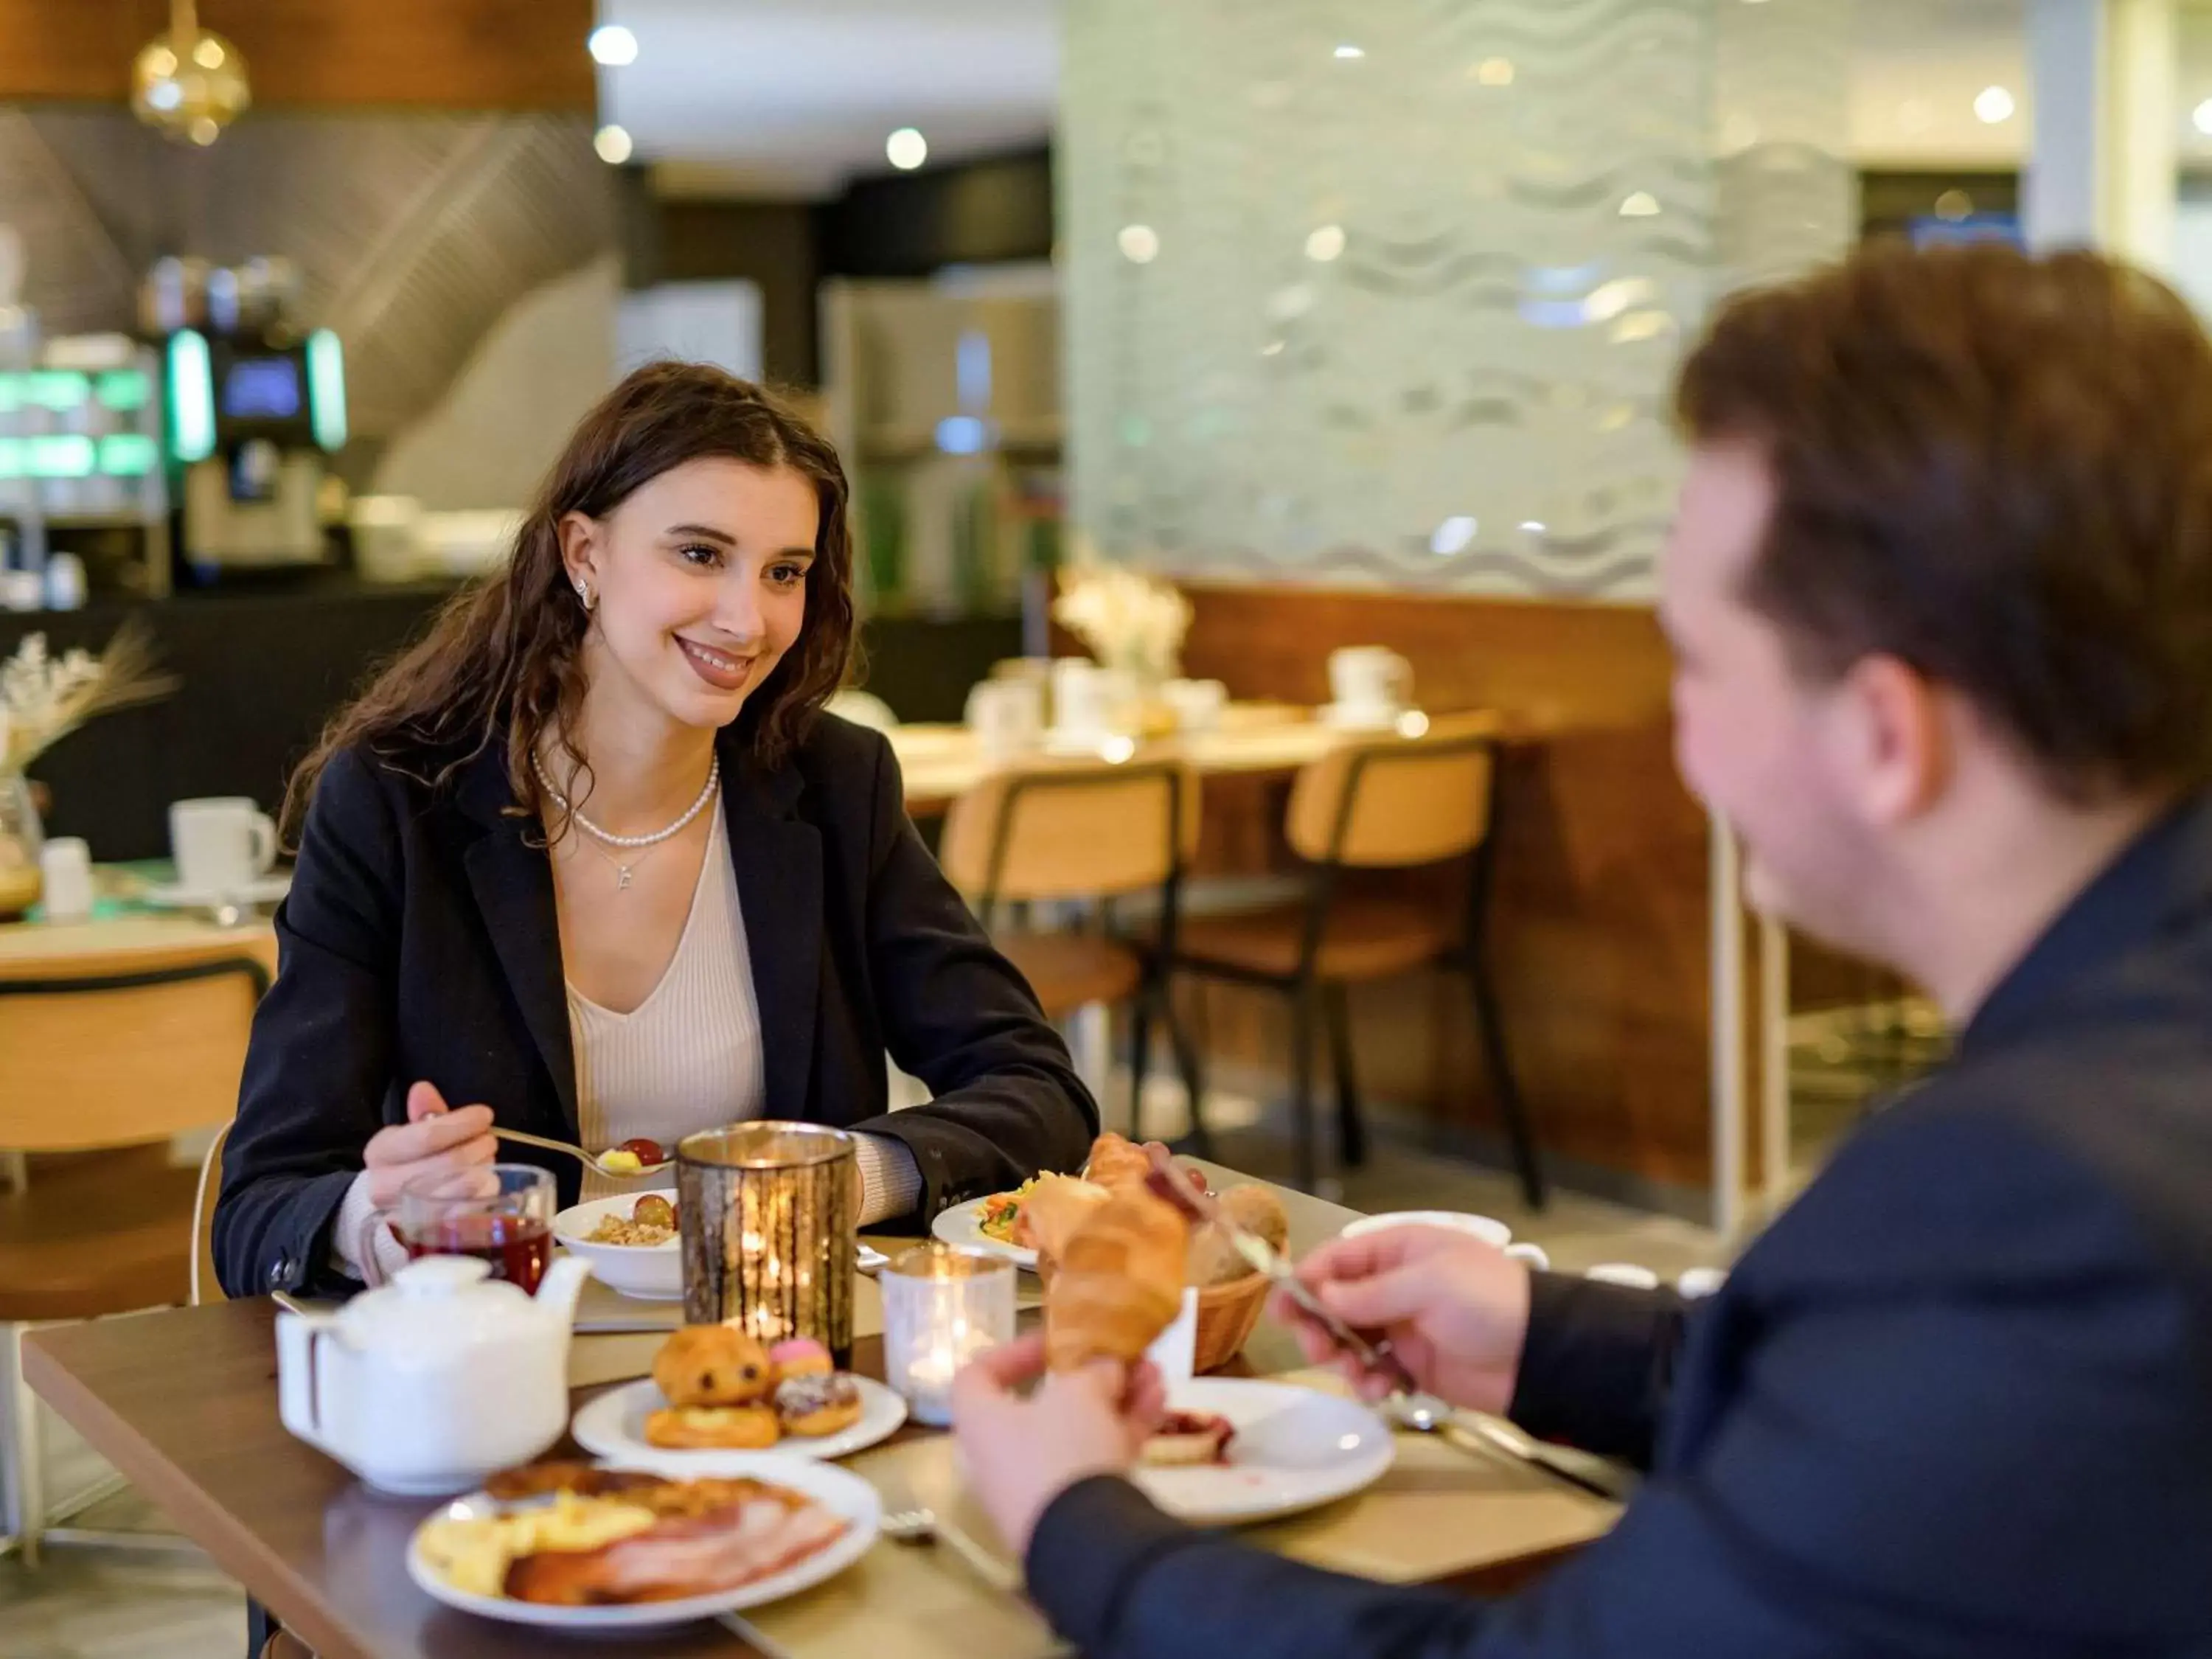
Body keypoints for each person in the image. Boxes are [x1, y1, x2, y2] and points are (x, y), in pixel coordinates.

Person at [953, 242, 2212, 1655]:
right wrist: (1554, 1341)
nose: (1685, 738)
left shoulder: (2028, 1203)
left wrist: (1081, 1528)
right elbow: (1932, 1423)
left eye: (1694, 661)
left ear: (1881, 734)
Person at [215, 361, 1096, 1299]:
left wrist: (836, 1180)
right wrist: (383, 1223)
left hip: (788, 1353)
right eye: (700, 555)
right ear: (584, 555)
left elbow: (1038, 1090)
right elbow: (260, 1207)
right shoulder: (396, 803)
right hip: (506, 1366)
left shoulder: (837, 786)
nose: (747, 619)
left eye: (784, 572)